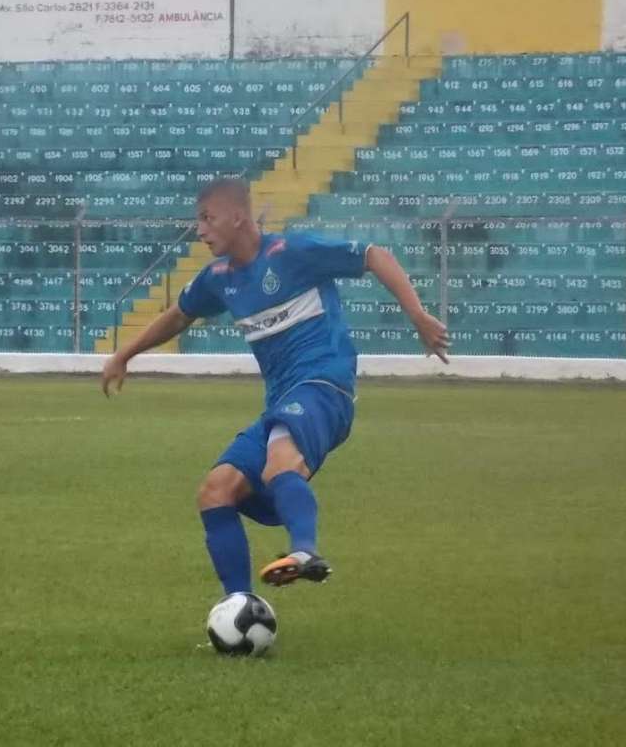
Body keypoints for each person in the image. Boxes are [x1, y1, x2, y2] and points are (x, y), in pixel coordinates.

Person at [101, 177, 449, 595]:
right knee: (216, 490)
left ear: (237, 216)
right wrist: (126, 354)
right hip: (281, 401)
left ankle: (305, 552)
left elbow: (374, 255)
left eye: (207, 218)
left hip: (325, 386)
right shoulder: (219, 278)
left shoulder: (294, 254)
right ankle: (239, 605)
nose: (201, 230)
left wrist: (418, 315)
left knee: (279, 462)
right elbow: (179, 315)